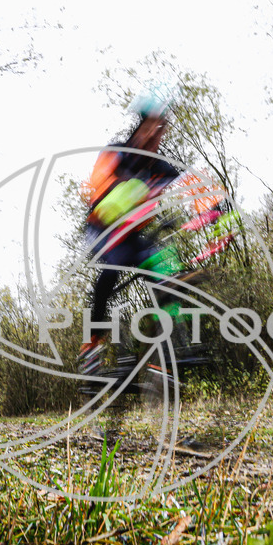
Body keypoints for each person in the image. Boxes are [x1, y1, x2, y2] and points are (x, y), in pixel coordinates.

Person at [78, 95, 183, 376]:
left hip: (133, 233)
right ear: (140, 127)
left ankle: (160, 347)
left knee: (166, 267)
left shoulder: (161, 166)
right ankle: (92, 345)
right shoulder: (118, 151)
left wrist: (213, 212)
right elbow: (97, 188)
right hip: (102, 228)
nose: (157, 134)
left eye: (162, 128)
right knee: (113, 267)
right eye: (152, 126)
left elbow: (189, 183)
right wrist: (127, 190)